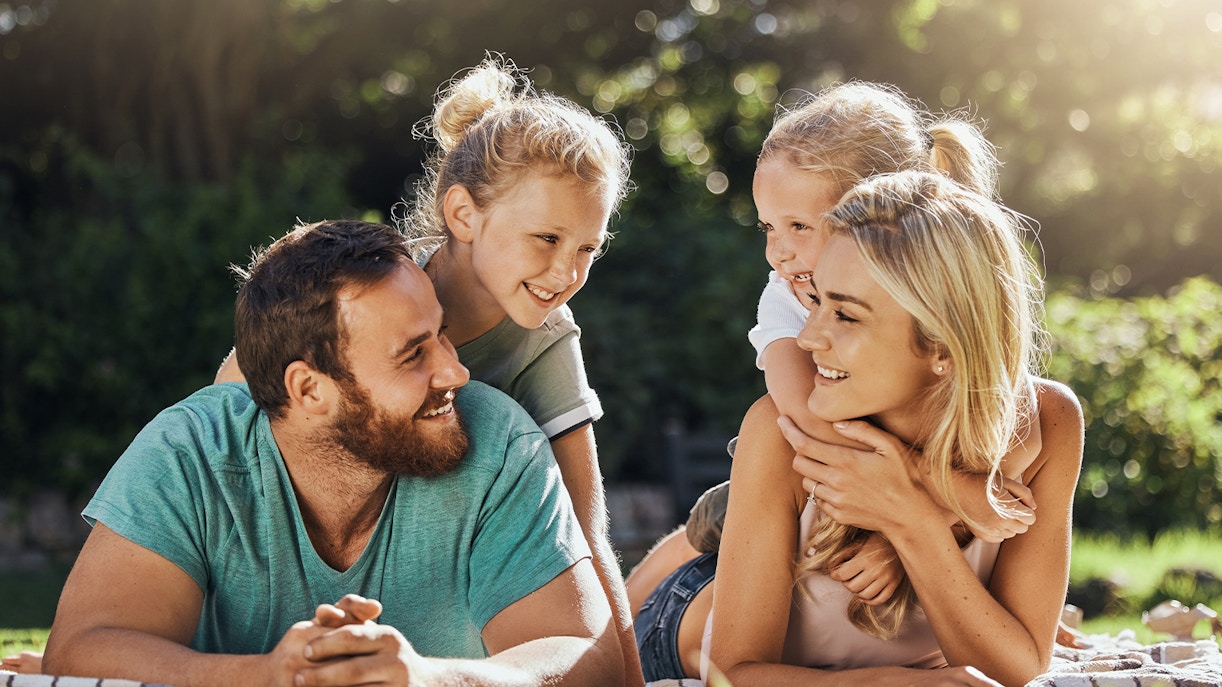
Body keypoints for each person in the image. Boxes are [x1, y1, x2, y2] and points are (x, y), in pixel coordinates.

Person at [41, 220, 624, 686]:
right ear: (309, 389)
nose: (456, 370)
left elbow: (586, 657)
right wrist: (268, 679)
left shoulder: (500, 446)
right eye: (412, 354)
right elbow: (81, 648)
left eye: (441, 334)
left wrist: (428, 679)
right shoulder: (191, 451)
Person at [216, 56, 644, 684]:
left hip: (451, 562)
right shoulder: (376, 289)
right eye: (547, 239)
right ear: (464, 215)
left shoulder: (547, 342)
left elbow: (585, 526)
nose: (567, 272)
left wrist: (625, 679)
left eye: (588, 248)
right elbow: (229, 412)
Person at [628, 82, 1044, 681]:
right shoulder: (788, 304)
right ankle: (603, 634)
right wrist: (944, 497)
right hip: (798, 472)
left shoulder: (1026, 415)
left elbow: (1014, 663)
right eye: (769, 227)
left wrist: (913, 525)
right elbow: (807, 419)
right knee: (682, 557)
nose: (778, 252)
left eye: (799, 225)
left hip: (838, 494)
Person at [710, 171, 1082, 686]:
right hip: (687, 613)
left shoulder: (1046, 423)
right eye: (816, 301)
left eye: (847, 315)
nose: (808, 337)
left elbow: (1013, 670)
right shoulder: (780, 433)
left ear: (944, 349)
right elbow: (729, 675)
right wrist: (895, 684)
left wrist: (911, 518)